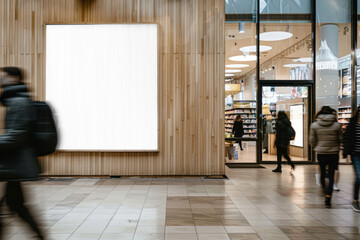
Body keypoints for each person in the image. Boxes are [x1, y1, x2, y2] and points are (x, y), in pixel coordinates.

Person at [0, 67, 45, 239]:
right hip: (14, 163)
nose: (1, 80)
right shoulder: (15, 101)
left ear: (15, 78)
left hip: (15, 163)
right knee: (16, 205)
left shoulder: (19, 102)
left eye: (3, 77)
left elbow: (16, 136)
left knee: (15, 205)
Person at [309, 106, 341, 208]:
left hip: (321, 152)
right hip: (334, 153)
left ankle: (324, 189)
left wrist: (316, 146)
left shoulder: (314, 125)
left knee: (322, 172)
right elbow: (340, 139)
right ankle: (328, 195)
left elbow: (312, 139)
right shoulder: (337, 125)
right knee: (331, 174)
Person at [343, 106, 360, 212]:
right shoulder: (353, 124)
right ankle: (355, 200)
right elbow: (347, 139)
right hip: (356, 154)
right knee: (359, 177)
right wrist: (347, 156)